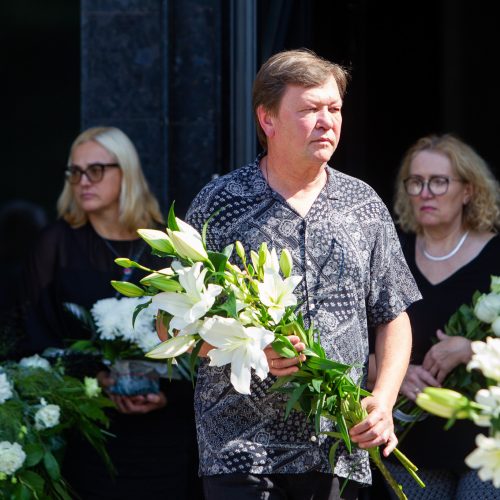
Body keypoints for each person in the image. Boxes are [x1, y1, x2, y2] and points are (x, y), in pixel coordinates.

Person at [178, 49, 421, 499]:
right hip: (241, 449)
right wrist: (249, 350)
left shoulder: (363, 205)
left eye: (334, 108)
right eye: (310, 109)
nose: (327, 121)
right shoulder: (220, 203)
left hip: (338, 446)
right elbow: (170, 322)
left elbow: (393, 314)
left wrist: (384, 401)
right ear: (267, 119)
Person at [19, 126, 202, 499]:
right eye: (75, 172)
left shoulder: (164, 244)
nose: (83, 181)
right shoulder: (55, 244)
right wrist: (98, 378)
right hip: (89, 433)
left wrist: (168, 394)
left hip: (164, 436)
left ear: (127, 172)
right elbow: (32, 331)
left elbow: (200, 333)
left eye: (96, 170)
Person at [376, 133, 500, 498]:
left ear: (468, 190)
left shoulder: (496, 258)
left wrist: (472, 350)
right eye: (416, 182)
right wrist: (391, 374)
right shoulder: (388, 255)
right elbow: (349, 343)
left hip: (485, 439)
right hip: (410, 441)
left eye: (439, 181)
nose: (425, 192)